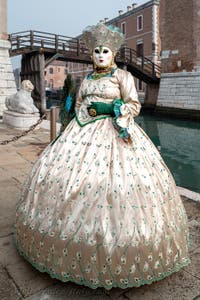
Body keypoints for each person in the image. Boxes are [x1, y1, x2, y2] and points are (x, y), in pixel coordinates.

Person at [15, 23, 190, 290]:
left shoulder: (123, 77)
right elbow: (80, 103)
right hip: (81, 133)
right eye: (96, 51)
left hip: (115, 133)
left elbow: (133, 104)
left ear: (113, 54)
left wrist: (110, 107)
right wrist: (76, 109)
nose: (99, 55)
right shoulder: (86, 79)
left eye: (105, 50)